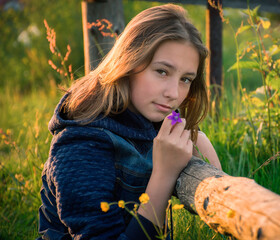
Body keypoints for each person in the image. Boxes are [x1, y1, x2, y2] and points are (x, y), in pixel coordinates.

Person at [37, 4, 221, 240]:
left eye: (186, 79)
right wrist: (164, 175)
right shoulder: (81, 144)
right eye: (162, 71)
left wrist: (196, 137)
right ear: (130, 62)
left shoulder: (149, 115)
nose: (174, 93)